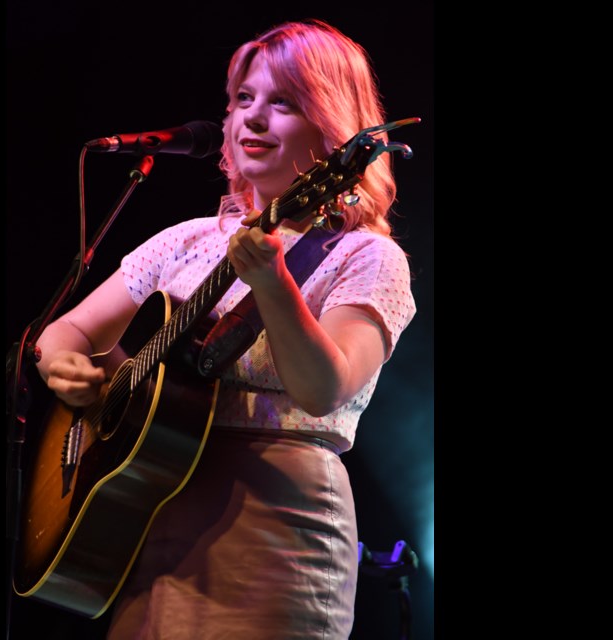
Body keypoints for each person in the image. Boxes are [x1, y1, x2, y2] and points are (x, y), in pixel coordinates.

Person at [35, 19, 417, 639]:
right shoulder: (183, 241)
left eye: (283, 102)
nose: (253, 119)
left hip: (276, 528)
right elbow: (64, 332)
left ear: (331, 128)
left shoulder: (367, 258)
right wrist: (64, 366)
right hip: (143, 515)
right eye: (243, 99)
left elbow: (326, 389)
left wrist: (273, 283)